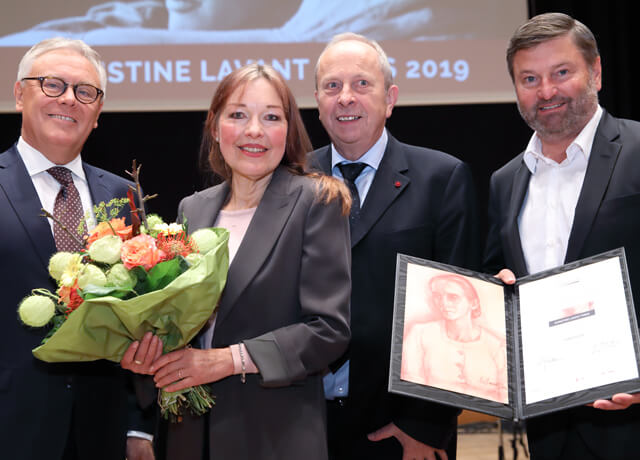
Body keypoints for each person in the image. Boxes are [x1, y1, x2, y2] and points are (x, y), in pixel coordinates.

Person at [124, 63, 351, 460]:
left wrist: (226, 361)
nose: (254, 131)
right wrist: (148, 352)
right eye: (238, 115)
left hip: (274, 436)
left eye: (271, 117)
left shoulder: (316, 201)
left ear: (288, 129)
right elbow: (179, 323)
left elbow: (328, 330)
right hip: (189, 438)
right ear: (215, 127)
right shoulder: (192, 208)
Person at [309, 32, 479, 460]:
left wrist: (426, 426)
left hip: (403, 431)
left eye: (362, 84)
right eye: (332, 86)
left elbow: (457, 310)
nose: (345, 97)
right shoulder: (292, 180)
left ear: (390, 98)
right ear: (317, 100)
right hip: (302, 423)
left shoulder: (442, 178)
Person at [484, 12, 640, 460]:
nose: (546, 91)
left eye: (562, 73)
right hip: (549, 431)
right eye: (529, 78)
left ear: (596, 72)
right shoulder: (504, 181)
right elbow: (498, 275)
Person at [0, 37, 154, 460]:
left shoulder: (124, 196)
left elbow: (141, 317)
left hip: (100, 433)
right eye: (53, 85)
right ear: (19, 94)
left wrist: (140, 427)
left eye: (85, 91)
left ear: (98, 112)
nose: (68, 99)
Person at [402, 274, 507, 403]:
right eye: (438, 297)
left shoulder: (496, 345)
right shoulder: (419, 334)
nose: (443, 303)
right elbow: (411, 385)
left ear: (473, 303)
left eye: (453, 297)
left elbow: (505, 395)